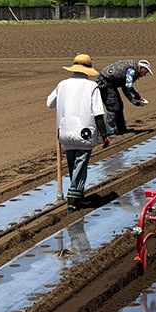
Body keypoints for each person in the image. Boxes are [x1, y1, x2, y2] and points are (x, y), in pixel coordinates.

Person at [46, 54, 105, 212]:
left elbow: (49, 103)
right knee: (81, 165)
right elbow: (98, 113)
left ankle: (78, 197)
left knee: (73, 165)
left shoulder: (62, 85)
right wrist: (105, 135)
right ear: (87, 71)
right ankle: (73, 199)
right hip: (84, 133)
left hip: (64, 132)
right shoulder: (92, 87)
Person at [96, 59, 153, 135]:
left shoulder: (132, 69)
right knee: (113, 107)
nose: (145, 74)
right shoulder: (132, 71)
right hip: (105, 83)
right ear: (141, 68)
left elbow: (125, 88)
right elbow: (128, 86)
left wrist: (135, 99)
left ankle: (121, 129)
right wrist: (135, 98)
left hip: (110, 84)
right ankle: (110, 132)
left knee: (119, 106)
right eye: (146, 72)